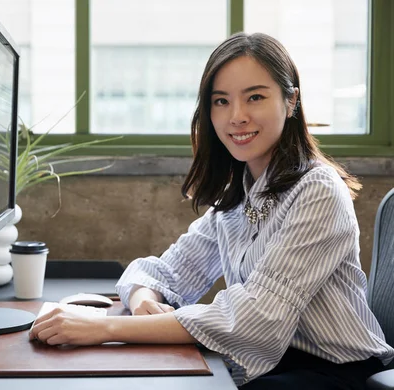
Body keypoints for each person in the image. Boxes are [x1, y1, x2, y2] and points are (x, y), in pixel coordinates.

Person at [29, 32, 394, 388]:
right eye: (221, 101)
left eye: (254, 97)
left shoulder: (318, 190)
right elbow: (162, 271)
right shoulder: (239, 197)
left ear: (291, 101)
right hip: (277, 363)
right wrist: (144, 299)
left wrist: (101, 328)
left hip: (338, 370)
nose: (236, 116)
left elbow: (255, 320)